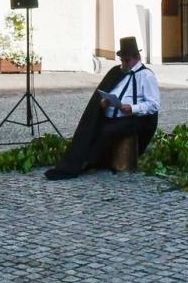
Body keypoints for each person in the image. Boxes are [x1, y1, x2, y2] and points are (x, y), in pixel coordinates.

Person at [45, 36, 160, 180]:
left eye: (127, 60)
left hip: (135, 118)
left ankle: (89, 161)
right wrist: (104, 102)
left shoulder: (146, 76)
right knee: (91, 127)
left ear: (137, 57)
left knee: (107, 131)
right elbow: (110, 89)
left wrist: (132, 108)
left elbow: (154, 104)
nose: (124, 63)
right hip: (113, 115)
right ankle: (75, 160)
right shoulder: (117, 71)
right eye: (122, 60)